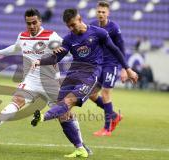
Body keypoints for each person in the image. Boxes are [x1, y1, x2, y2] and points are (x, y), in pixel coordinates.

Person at [0, 8, 92, 158]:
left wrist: (64, 51)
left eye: (34, 22)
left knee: (65, 114)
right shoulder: (22, 36)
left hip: (50, 81)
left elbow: (68, 46)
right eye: (29, 23)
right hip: (31, 79)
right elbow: (15, 48)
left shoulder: (50, 36)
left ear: (40, 21)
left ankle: (81, 145)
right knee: (18, 99)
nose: (32, 26)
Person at [31, 8, 138, 156]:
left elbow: (115, 50)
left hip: (91, 73)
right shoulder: (68, 39)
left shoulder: (98, 33)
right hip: (73, 73)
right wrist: (40, 61)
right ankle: (80, 148)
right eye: (69, 26)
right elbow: (56, 58)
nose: (71, 28)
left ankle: (43, 117)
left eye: (73, 25)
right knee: (63, 112)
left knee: (68, 101)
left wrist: (127, 69)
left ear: (80, 19)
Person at [88, 1, 128, 136]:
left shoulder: (114, 28)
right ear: (96, 12)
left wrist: (124, 68)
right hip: (98, 64)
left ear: (108, 13)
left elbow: (121, 48)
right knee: (92, 94)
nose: (101, 14)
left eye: (103, 12)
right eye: (99, 11)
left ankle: (107, 128)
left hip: (111, 65)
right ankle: (115, 115)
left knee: (105, 94)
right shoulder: (92, 25)